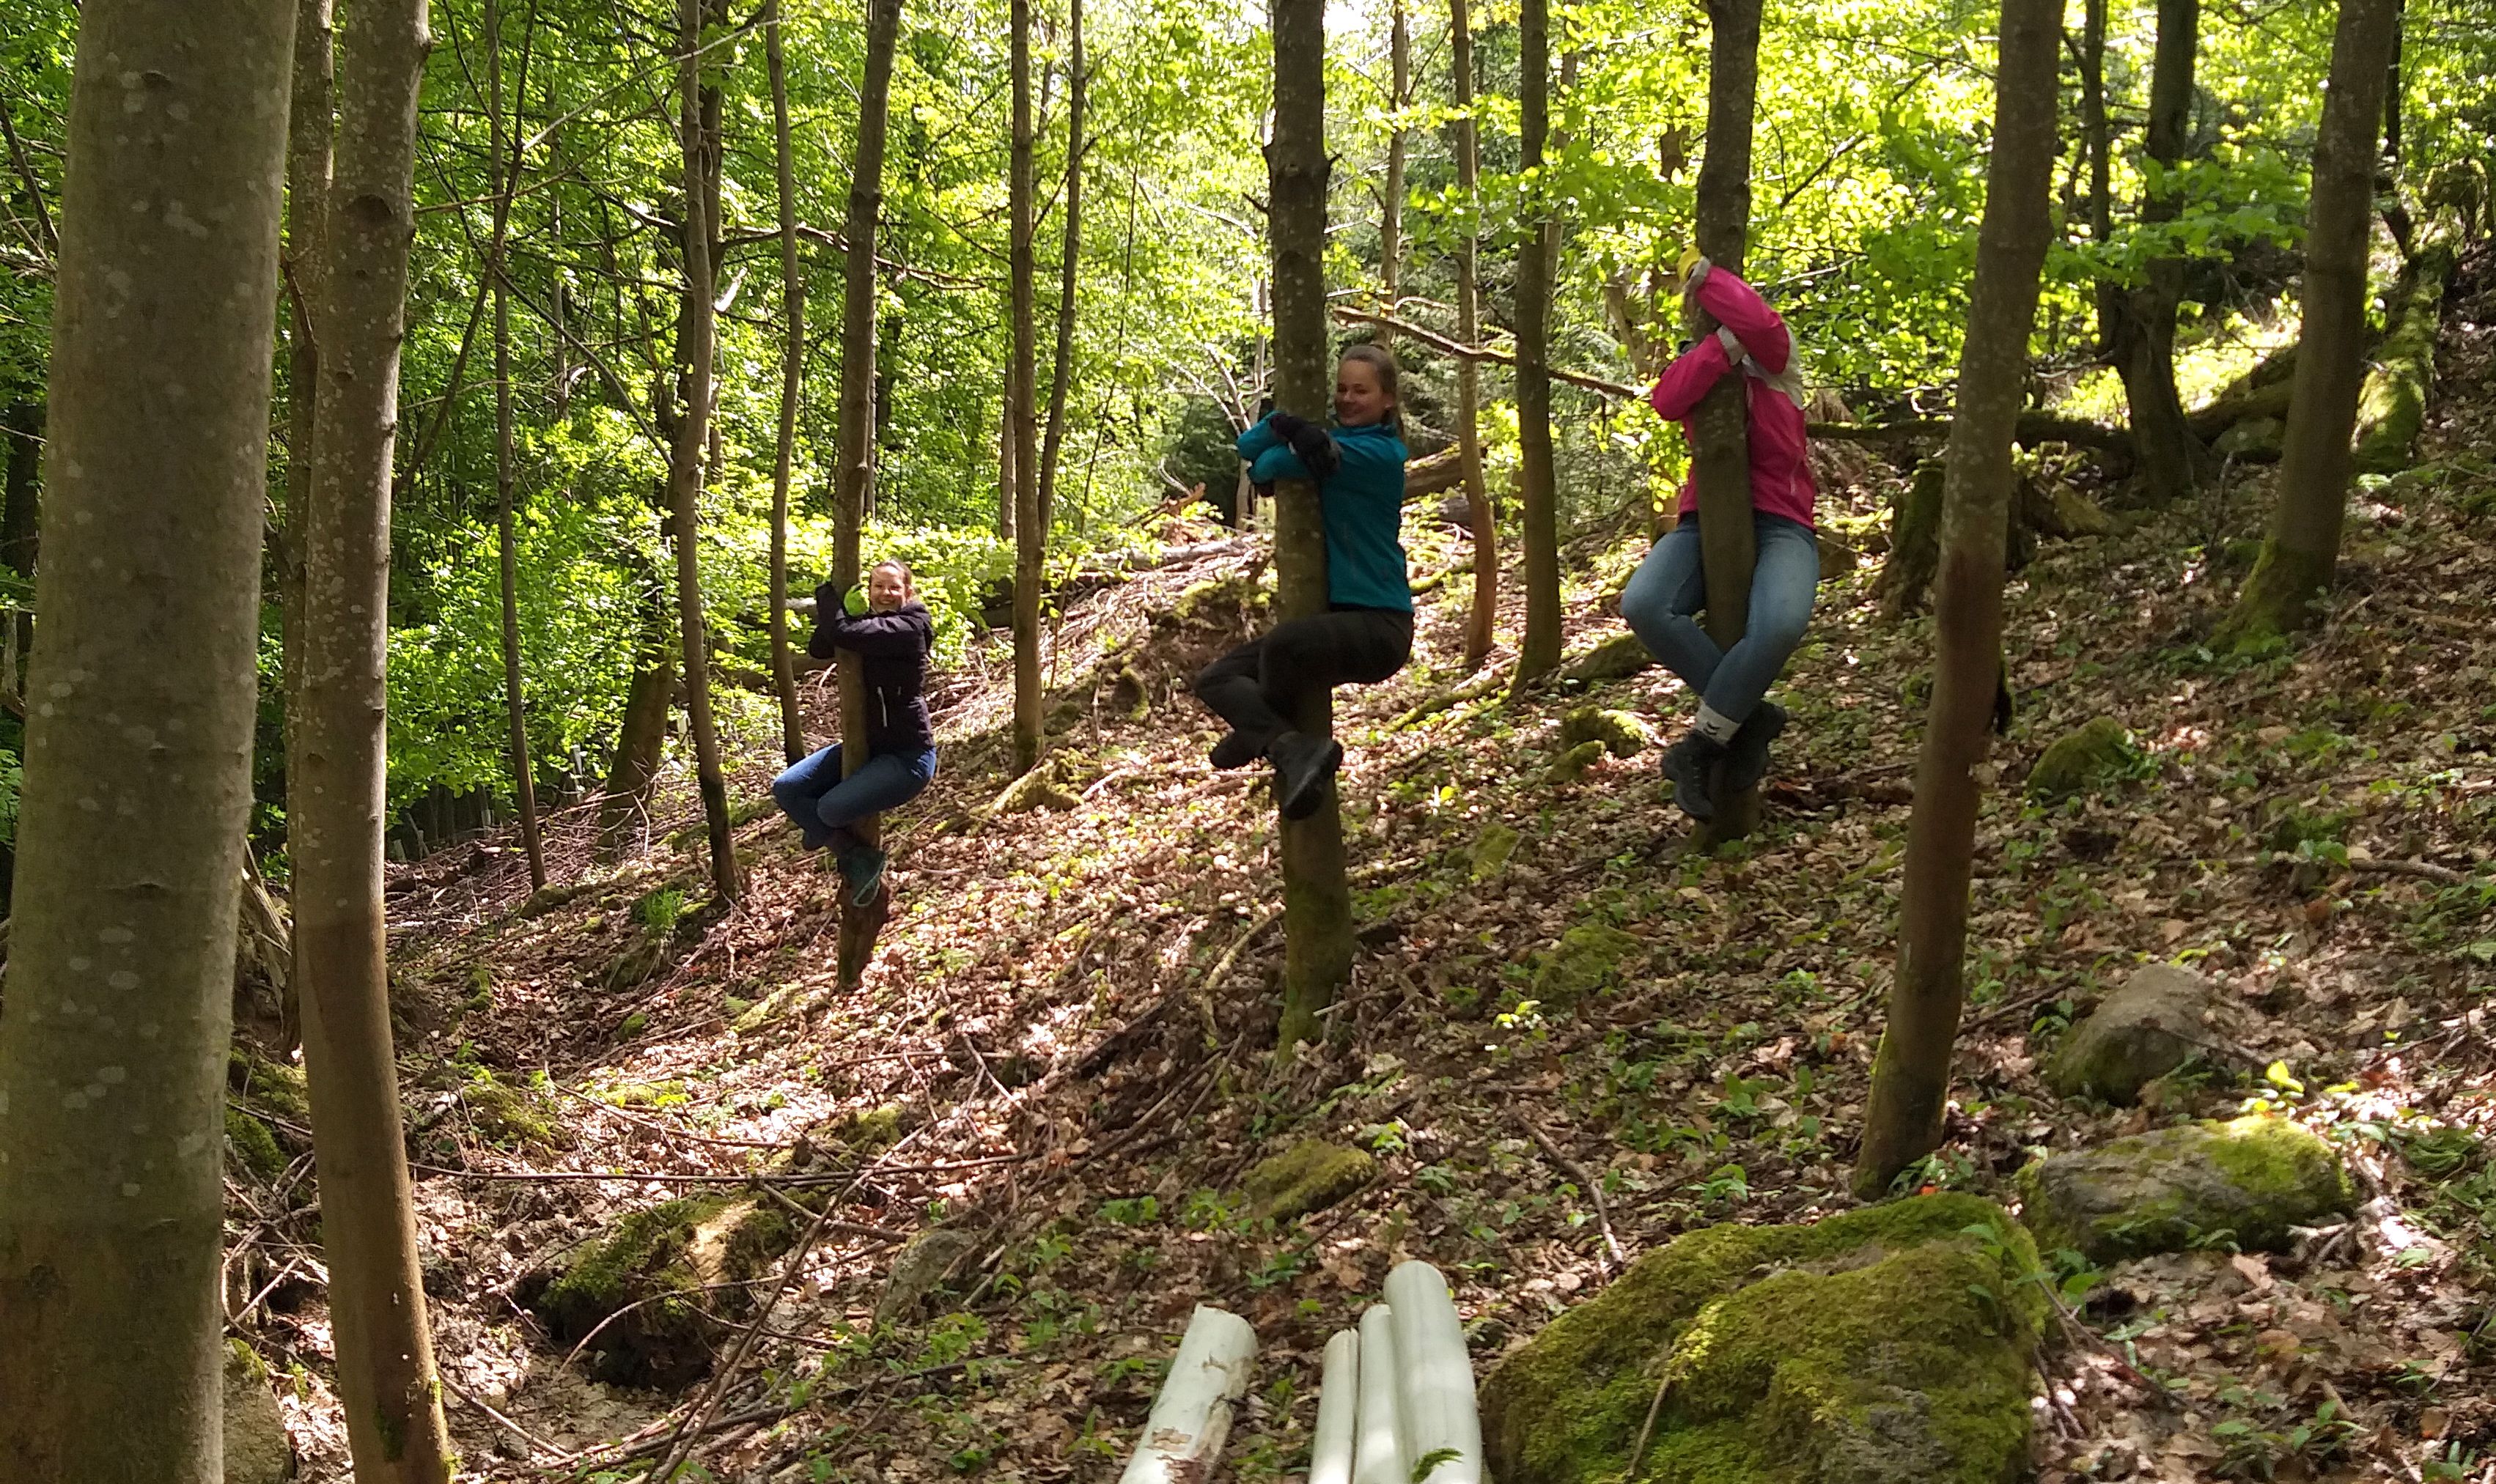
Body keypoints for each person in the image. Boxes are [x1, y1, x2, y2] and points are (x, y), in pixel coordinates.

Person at [1621, 246, 1817, 821]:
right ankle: (1749, 715)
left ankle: (1703, 744)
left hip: (1783, 519)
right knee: (1645, 603)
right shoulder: (1703, 361)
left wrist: (1700, 274)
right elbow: (1666, 399)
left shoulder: (1779, 357)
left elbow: (1761, 324)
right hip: (1701, 522)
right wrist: (1719, 348)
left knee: (1780, 621)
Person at [1193, 344, 1413, 821]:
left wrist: (1288, 443)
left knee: (1284, 645)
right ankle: (1282, 742)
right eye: (1341, 389)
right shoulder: (1326, 443)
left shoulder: (1378, 452)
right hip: (1337, 619)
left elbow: (1267, 466)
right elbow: (1248, 448)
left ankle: (1262, 733)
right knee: (1216, 678)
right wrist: (1285, 423)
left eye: (1361, 390)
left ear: (1387, 399)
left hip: (1379, 626)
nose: (1348, 399)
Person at [773, 558, 937, 907]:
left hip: (907, 758)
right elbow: (820, 647)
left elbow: (843, 634)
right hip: (866, 749)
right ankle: (855, 856)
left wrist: (828, 598)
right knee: (787, 789)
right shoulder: (870, 627)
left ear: (908, 591)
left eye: (894, 587)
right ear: (870, 590)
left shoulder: (909, 627)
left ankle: (832, 835)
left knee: (829, 810)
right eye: (879, 586)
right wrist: (845, 609)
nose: (886, 593)